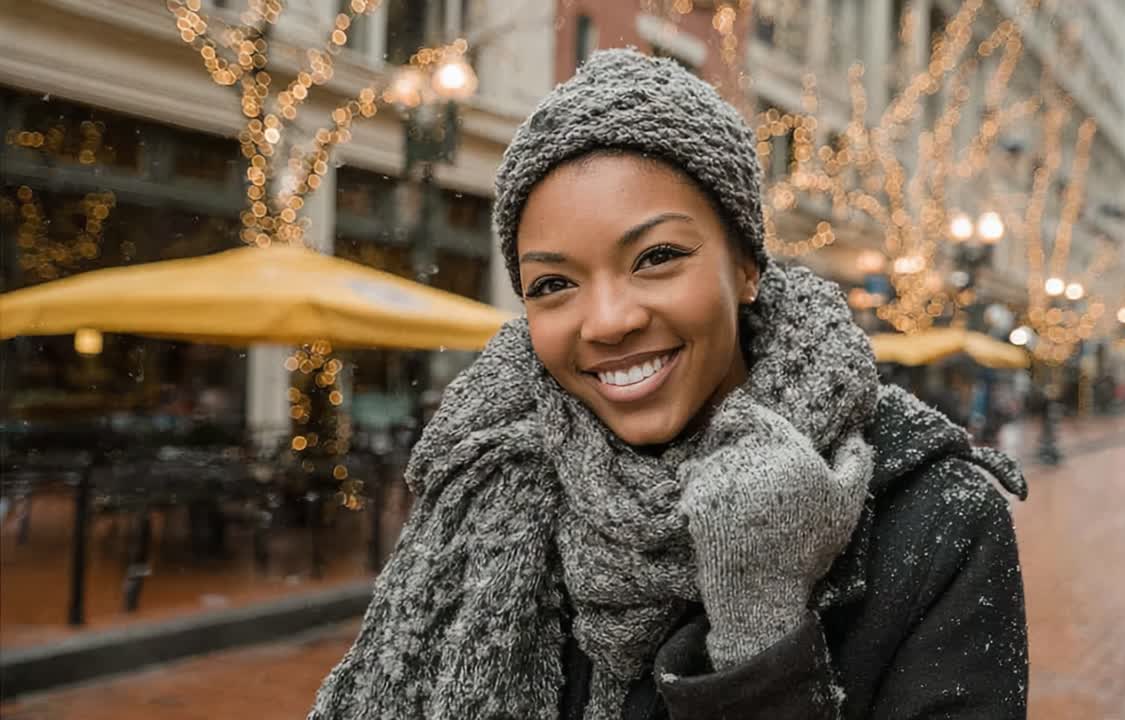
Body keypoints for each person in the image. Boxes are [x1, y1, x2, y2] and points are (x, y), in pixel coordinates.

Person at [310, 49, 1028, 720]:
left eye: (655, 257)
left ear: (746, 266)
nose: (609, 321)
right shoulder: (486, 482)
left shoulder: (938, 517)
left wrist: (759, 632)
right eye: (554, 283)